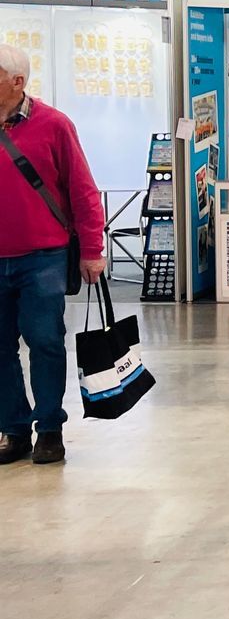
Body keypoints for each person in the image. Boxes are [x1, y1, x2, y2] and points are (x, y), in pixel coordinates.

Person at [0, 43, 106, 467]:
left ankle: (49, 429)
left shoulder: (54, 125)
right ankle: (13, 429)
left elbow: (83, 190)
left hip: (43, 257)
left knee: (44, 342)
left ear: (16, 81)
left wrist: (93, 249)